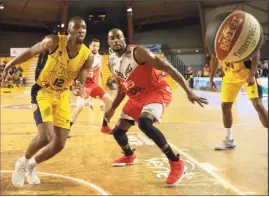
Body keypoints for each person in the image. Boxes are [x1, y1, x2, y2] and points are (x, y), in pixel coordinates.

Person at [105, 28, 208, 186]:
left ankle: (176, 162)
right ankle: (129, 155)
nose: (116, 40)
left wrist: (188, 91)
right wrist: (112, 109)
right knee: (118, 132)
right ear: (109, 42)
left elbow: (168, 68)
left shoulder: (139, 53)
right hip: (136, 98)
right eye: (112, 38)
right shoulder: (111, 61)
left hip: (156, 91)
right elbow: (121, 89)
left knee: (145, 123)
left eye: (119, 37)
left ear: (124, 38)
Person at [2, 16, 94, 188]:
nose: (81, 30)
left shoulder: (87, 55)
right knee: (46, 136)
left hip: (62, 95)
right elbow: (30, 52)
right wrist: (9, 66)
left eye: (84, 28)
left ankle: (32, 165)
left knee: (59, 144)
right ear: (69, 29)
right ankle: (22, 162)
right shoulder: (53, 42)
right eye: (77, 27)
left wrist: (78, 89)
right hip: (42, 91)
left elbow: (80, 81)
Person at [210, 50, 268, 150]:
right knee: (225, 107)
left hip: (247, 73)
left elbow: (256, 52)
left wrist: (252, 74)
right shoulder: (216, 40)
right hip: (229, 76)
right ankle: (229, 140)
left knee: (258, 105)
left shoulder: (241, 34)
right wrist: (211, 78)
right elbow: (214, 59)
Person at [70, 38, 113, 134]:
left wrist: (102, 83)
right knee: (79, 106)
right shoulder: (83, 56)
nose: (96, 47)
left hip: (94, 85)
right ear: (89, 46)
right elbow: (75, 70)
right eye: (94, 45)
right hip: (84, 85)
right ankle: (67, 128)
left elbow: (99, 71)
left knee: (109, 101)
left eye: (97, 46)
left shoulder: (99, 57)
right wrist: (75, 84)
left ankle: (104, 126)